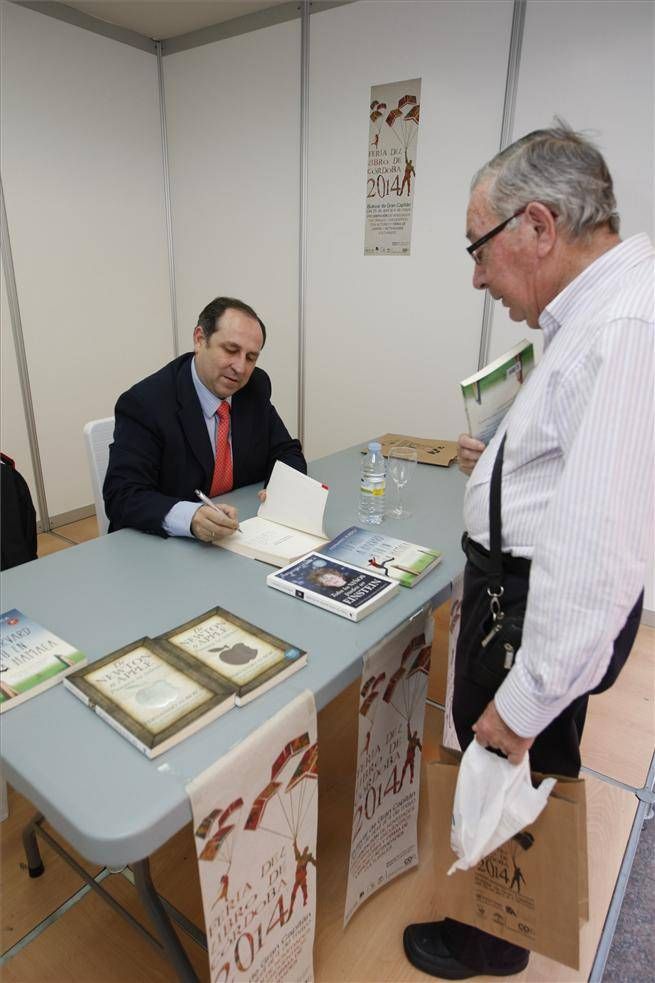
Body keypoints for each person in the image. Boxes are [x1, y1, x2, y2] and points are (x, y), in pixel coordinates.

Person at [403, 123, 653, 978]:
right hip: (517, 600)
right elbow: (572, 464)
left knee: (513, 759)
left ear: (537, 227)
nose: (476, 275)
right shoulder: (596, 312)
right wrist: (502, 459)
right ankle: (498, 923)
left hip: (530, 615)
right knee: (521, 760)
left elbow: (597, 553)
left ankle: (491, 936)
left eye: (478, 248)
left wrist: (521, 702)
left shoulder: (623, 322)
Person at [104, 296, 306, 543]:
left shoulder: (254, 387)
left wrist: (284, 490)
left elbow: (285, 449)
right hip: (160, 548)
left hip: (238, 536)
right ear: (200, 339)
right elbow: (122, 496)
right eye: (231, 350)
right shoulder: (145, 403)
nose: (241, 368)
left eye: (251, 357)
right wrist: (190, 517)